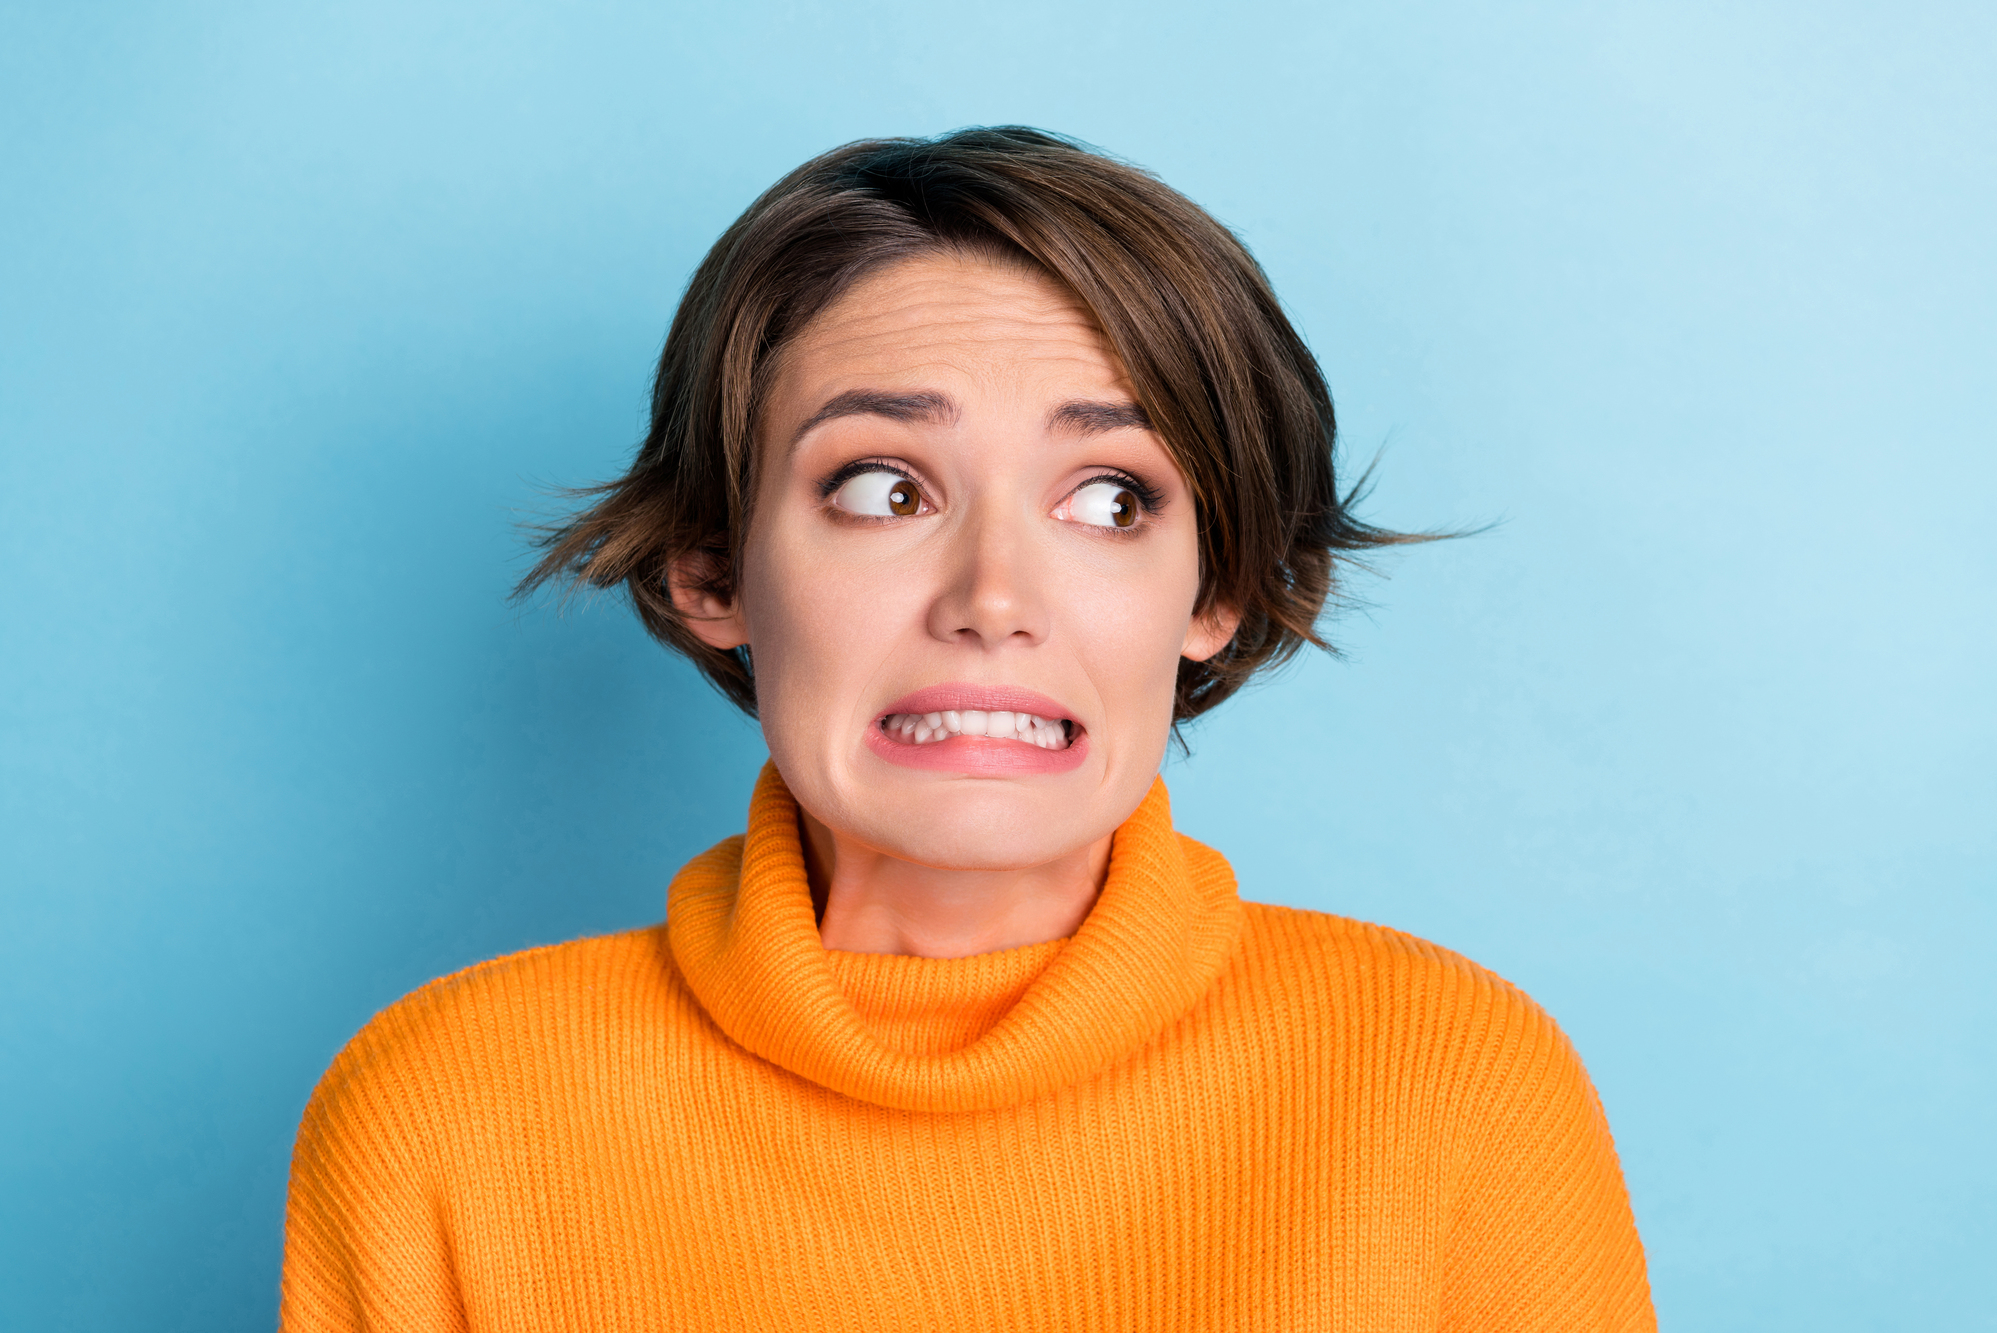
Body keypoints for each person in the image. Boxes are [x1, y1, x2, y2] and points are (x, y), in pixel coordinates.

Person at [280, 127, 1655, 1331]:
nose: (993, 599)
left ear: (1216, 589)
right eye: (883, 488)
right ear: (712, 569)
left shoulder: (1452, 1083)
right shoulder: (444, 1114)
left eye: (1111, 498)